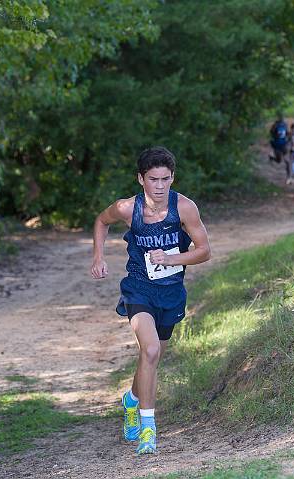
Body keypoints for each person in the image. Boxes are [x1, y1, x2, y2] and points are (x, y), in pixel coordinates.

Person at [90, 146, 212, 455]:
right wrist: (98, 257)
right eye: (153, 180)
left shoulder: (184, 208)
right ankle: (148, 429)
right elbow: (101, 222)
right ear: (141, 179)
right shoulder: (126, 209)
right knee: (152, 349)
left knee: (151, 358)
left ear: (173, 178)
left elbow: (204, 251)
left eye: (165, 180)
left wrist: (173, 259)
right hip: (138, 290)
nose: (160, 187)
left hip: (171, 294)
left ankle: (131, 399)